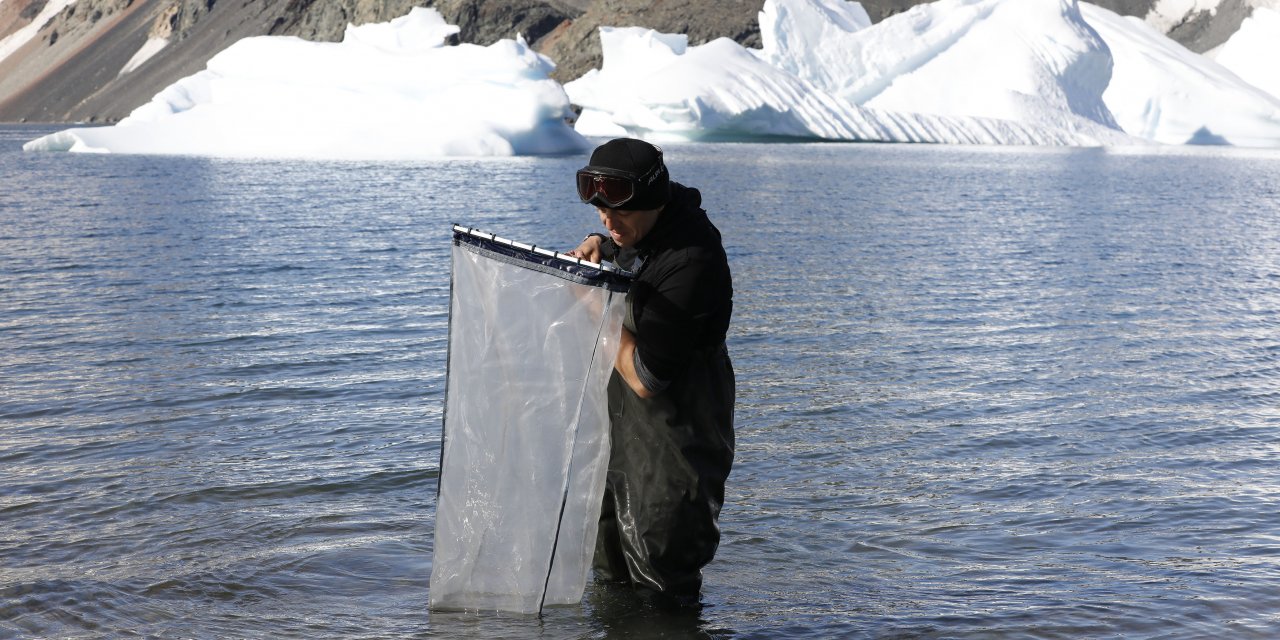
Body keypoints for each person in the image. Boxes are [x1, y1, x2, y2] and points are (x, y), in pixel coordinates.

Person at [566, 138, 735, 605]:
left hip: (676, 449)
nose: (606, 220)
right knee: (612, 574)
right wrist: (603, 245)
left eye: (616, 214)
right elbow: (632, 250)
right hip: (624, 445)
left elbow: (645, 378)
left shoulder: (691, 260)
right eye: (599, 212)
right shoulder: (646, 230)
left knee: (663, 588)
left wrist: (594, 303)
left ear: (653, 200)